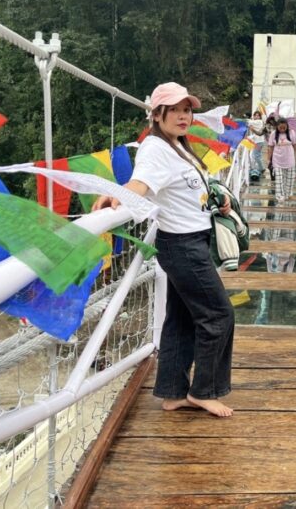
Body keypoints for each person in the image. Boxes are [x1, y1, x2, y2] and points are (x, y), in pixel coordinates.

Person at [92, 82, 235, 418]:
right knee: (219, 316)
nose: (184, 116)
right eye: (175, 110)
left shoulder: (177, 145)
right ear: (156, 115)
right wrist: (118, 195)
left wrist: (217, 200)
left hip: (191, 240)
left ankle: (173, 392)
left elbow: (188, 186)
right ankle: (204, 391)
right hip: (184, 247)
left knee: (182, 320)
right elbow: (141, 184)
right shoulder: (155, 148)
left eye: (187, 110)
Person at [265, 118, 296, 203]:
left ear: (287, 126)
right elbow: (270, 147)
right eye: (281, 128)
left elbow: (295, 145)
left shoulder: (292, 133)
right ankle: (280, 196)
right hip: (277, 160)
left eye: (284, 128)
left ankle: (287, 194)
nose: (282, 130)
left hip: (289, 160)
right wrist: (268, 159)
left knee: (289, 179)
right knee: (279, 179)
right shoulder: (273, 134)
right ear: (277, 127)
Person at [247, 111, 266, 178]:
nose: (256, 117)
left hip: (259, 142)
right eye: (255, 115)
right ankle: (259, 168)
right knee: (258, 155)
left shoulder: (259, 121)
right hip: (259, 141)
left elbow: (248, 122)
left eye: (258, 115)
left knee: (256, 155)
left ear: (260, 117)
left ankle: (261, 168)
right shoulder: (256, 123)